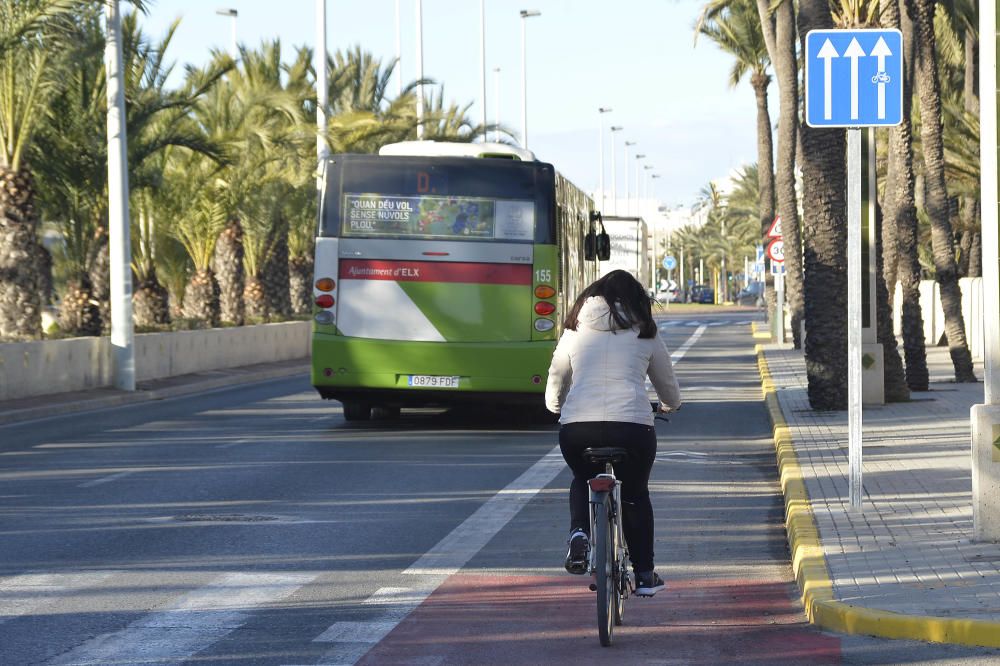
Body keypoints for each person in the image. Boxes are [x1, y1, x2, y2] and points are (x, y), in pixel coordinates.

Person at [544, 270, 682, 597]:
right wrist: (670, 405)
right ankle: (645, 577)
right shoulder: (645, 331)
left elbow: (557, 374)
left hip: (578, 427)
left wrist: (555, 405)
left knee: (582, 477)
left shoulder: (575, 330)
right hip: (632, 425)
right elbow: (666, 382)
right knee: (635, 494)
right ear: (637, 300)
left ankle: (579, 534)